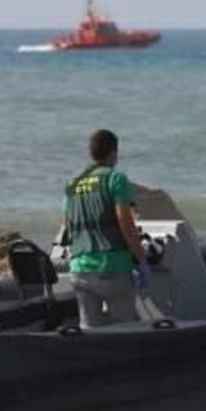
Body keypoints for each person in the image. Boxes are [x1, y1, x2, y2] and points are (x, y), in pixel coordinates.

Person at [61, 129, 149, 328]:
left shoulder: (72, 184)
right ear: (113, 153)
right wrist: (142, 261)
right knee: (125, 328)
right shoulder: (115, 178)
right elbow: (125, 224)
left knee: (90, 331)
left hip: (80, 270)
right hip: (112, 268)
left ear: (91, 153)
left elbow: (67, 225)